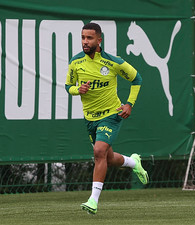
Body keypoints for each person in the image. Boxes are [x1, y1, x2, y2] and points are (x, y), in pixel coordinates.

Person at [65, 22, 149, 215]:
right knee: (107, 158)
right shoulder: (75, 62)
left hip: (111, 114)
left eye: (89, 38)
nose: (85, 42)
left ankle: (93, 201)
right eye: (83, 38)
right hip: (90, 119)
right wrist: (78, 90)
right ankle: (133, 162)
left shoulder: (113, 62)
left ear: (99, 40)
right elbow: (68, 86)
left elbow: (137, 79)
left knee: (99, 151)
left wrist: (129, 104)